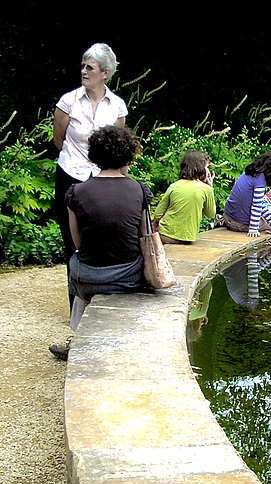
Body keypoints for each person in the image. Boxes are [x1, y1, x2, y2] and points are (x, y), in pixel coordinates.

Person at [48, 125, 152, 359]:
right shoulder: (138, 189)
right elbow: (145, 236)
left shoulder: (77, 191)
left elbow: (77, 243)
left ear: (94, 155)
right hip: (128, 278)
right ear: (128, 155)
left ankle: (77, 339)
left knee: (78, 259)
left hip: (89, 280)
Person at [53, 43, 128, 307]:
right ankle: (76, 301)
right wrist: (78, 162)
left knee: (102, 239)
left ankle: (100, 301)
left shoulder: (117, 106)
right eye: (83, 66)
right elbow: (58, 139)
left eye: (90, 67)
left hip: (103, 180)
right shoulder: (68, 102)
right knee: (71, 242)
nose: (84, 71)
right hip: (70, 175)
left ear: (105, 73)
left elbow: (120, 146)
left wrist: (123, 181)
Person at [152, 150, 216, 243]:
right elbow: (211, 214)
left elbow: (157, 214)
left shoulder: (174, 186)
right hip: (187, 238)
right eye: (207, 167)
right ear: (201, 169)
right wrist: (210, 187)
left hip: (165, 235)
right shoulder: (206, 189)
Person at [223, 151, 271, 239]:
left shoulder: (249, 173)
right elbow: (257, 206)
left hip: (227, 216)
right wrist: (254, 229)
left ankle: (221, 221)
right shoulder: (260, 180)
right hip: (237, 223)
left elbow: (259, 203)